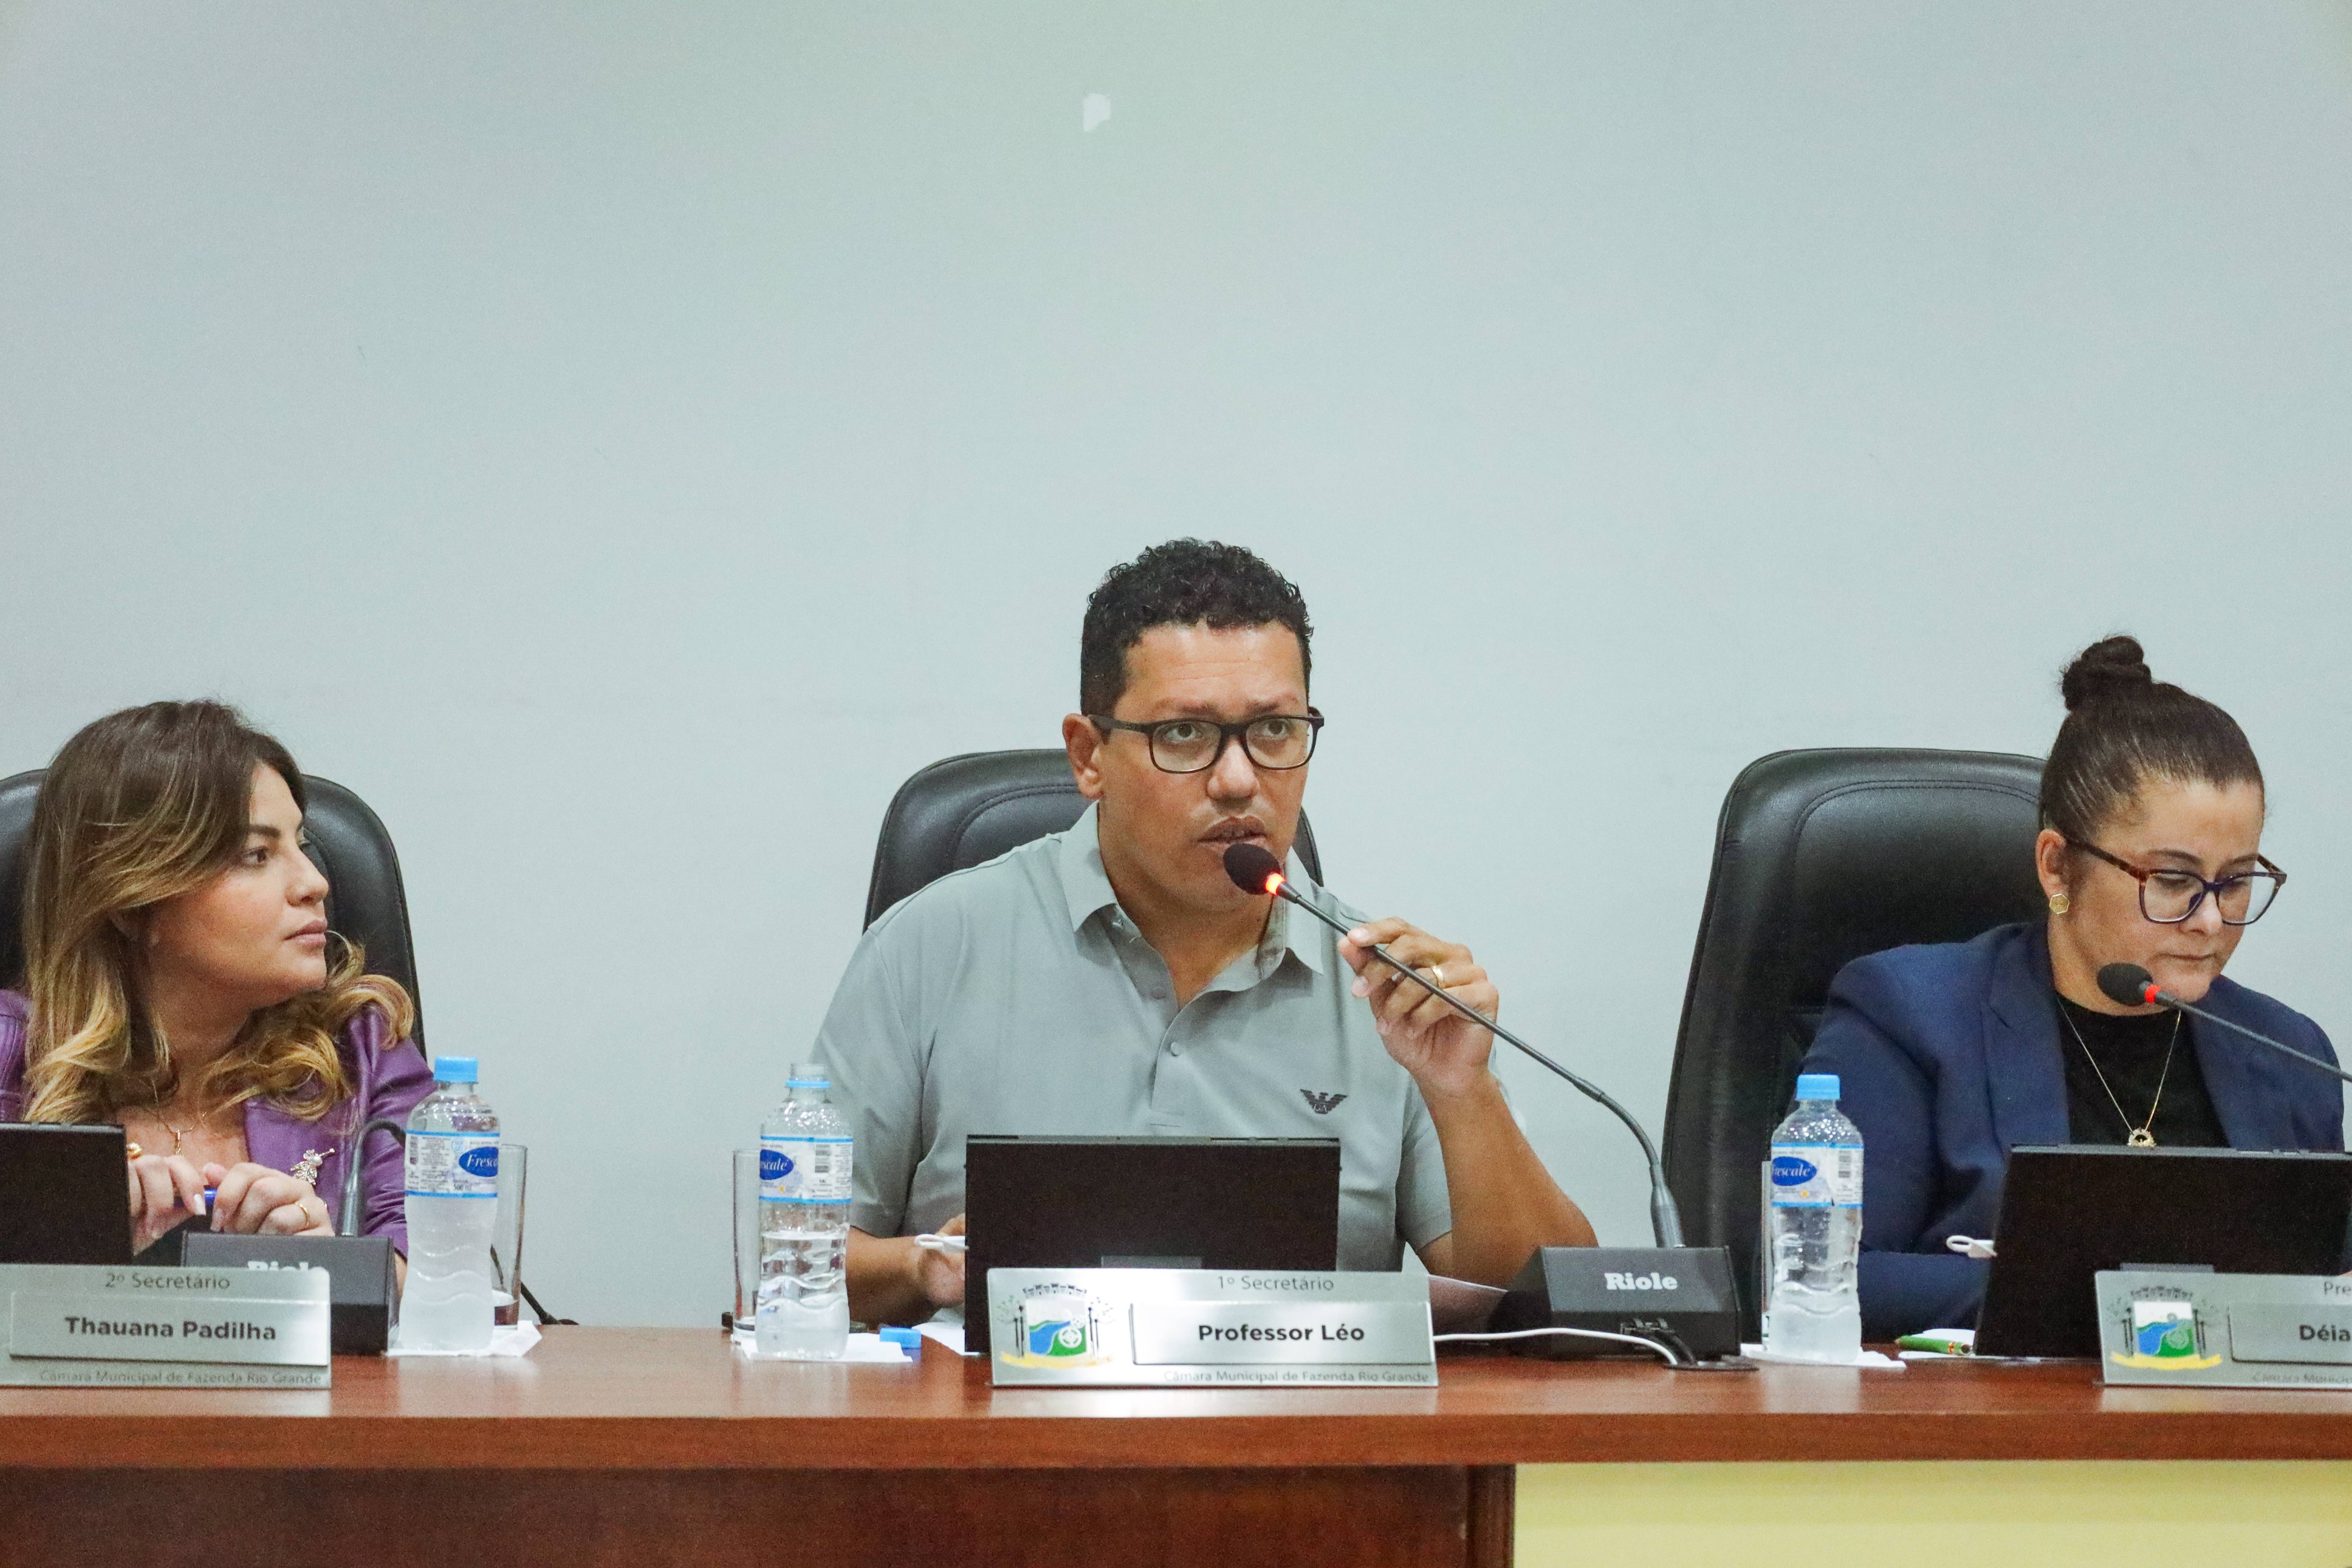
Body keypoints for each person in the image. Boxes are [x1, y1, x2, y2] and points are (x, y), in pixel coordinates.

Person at [825, 539, 1597, 1326]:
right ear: (1088, 756)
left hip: (1306, 1406)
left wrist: (1465, 1092)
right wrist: (925, 1268)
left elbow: (1550, 1311)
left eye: (1275, 730)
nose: (1237, 779)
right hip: (993, 1403)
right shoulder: (932, 946)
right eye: (1185, 734)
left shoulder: (1384, 990)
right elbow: (793, 1264)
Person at [1802, 636, 2343, 1340]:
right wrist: (2127, 1299)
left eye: (2235, 881)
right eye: (2172, 880)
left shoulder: (2289, 1056)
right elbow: (1827, 1275)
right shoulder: (1908, 1015)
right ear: (2057, 867)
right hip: (1988, 1410)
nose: (2210, 920)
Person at [0, 701, 432, 1265]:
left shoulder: (360, 1049)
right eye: (256, 854)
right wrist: (72, 1245)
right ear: (132, 905)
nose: (315, 882)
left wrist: (330, 1266)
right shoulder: (8, 1051)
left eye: (300, 845)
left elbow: (444, 1272)